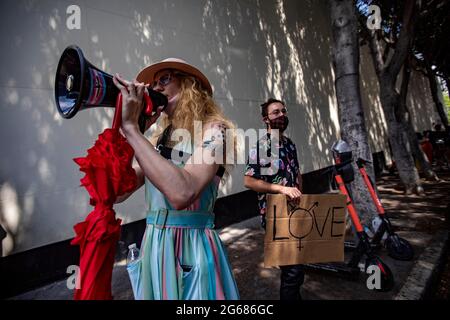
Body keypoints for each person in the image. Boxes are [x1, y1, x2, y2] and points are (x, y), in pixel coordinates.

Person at [112, 58, 239, 300]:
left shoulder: (217, 131)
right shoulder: (160, 139)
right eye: (153, 83)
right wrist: (129, 134)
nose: (155, 88)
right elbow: (118, 192)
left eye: (164, 79)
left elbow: (183, 192)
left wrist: (132, 131)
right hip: (156, 246)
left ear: (189, 84)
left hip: (191, 248)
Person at [244, 98, 304, 300]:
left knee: (297, 267)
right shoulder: (262, 146)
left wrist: (300, 195)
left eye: (283, 111)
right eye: (275, 112)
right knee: (292, 270)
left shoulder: (290, 144)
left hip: (295, 213)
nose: (281, 115)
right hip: (274, 215)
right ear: (265, 119)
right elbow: (249, 181)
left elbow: (296, 173)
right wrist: (282, 189)